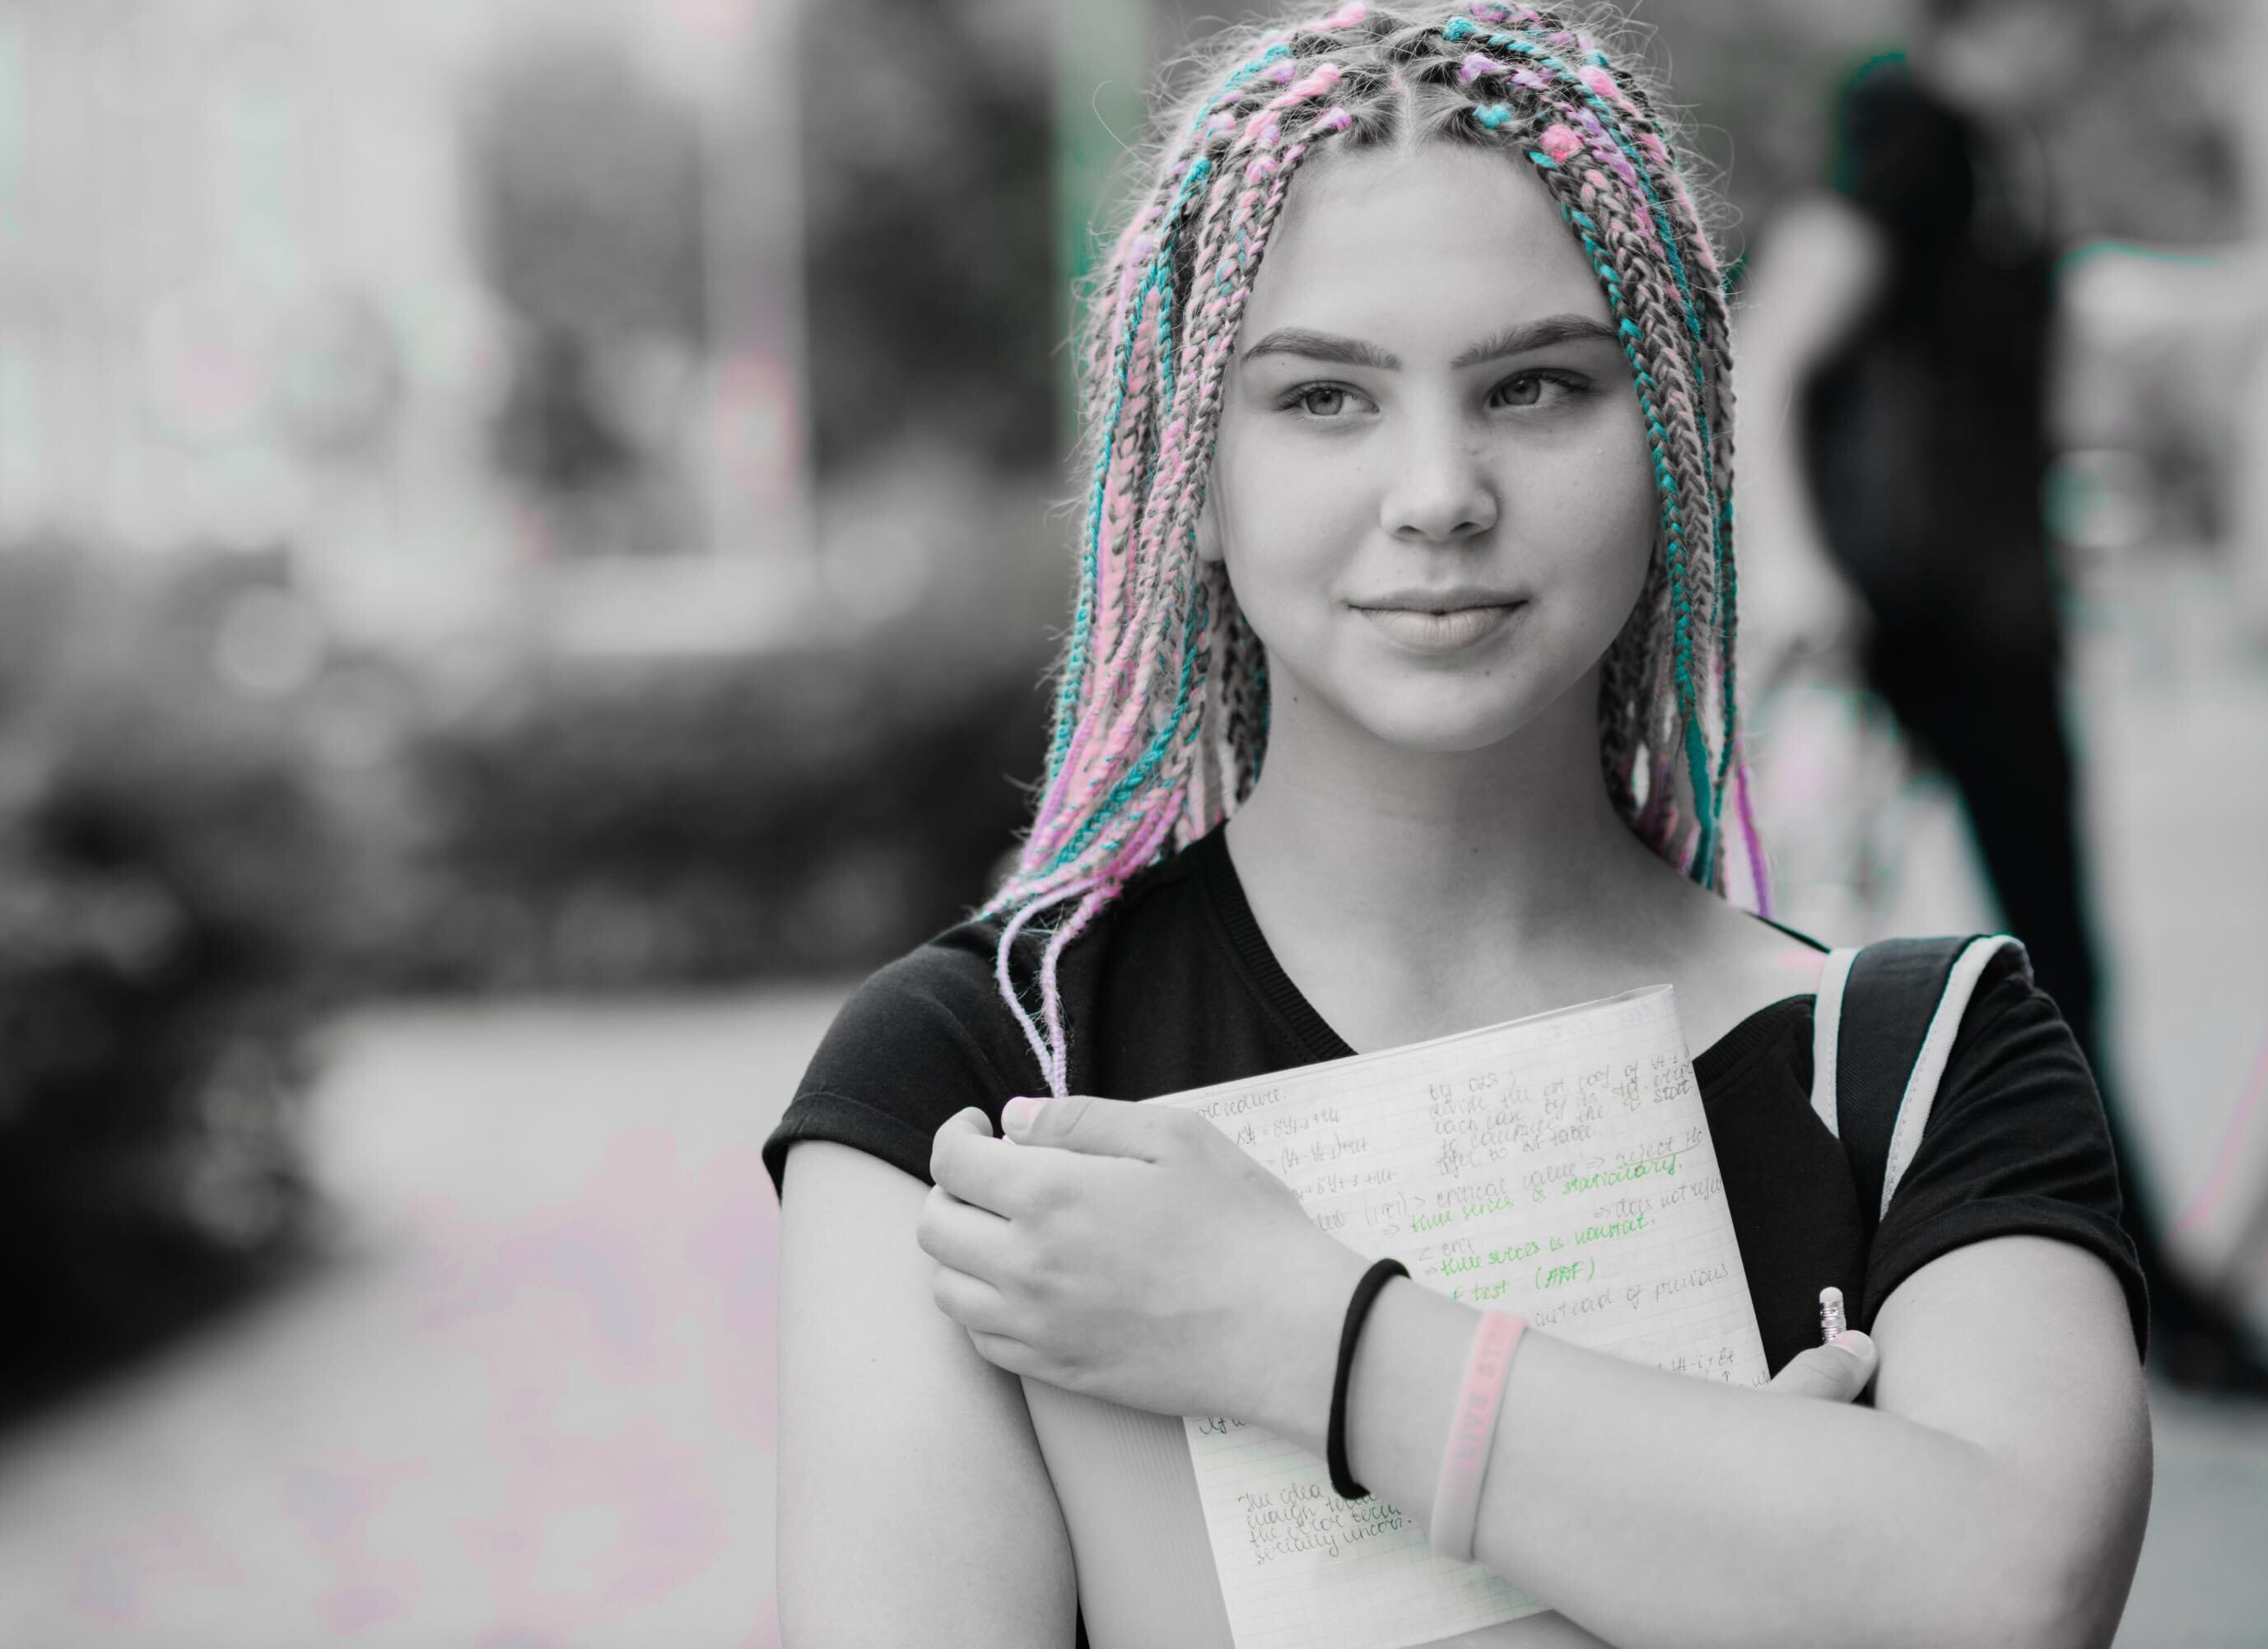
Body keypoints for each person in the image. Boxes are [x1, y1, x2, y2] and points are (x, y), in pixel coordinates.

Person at [767, 6, 2152, 1644]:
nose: (1440, 490)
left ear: (1673, 444)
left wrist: (1303, 1337)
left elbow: (2011, 1592)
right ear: (1189, 477)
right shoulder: (980, 1088)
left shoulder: (1923, 1069)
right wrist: (1707, 1550)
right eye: (1324, 400)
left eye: (1536, 384)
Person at [1731, 0, 2268, 1405]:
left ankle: (2152, 1295)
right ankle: (2123, 1304)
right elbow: (1775, 347)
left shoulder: (1992, 151)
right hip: (1914, 623)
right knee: (1839, 937)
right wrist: (1801, 565)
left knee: (2030, 956)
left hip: (1975, 623)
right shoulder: (1912, 133)